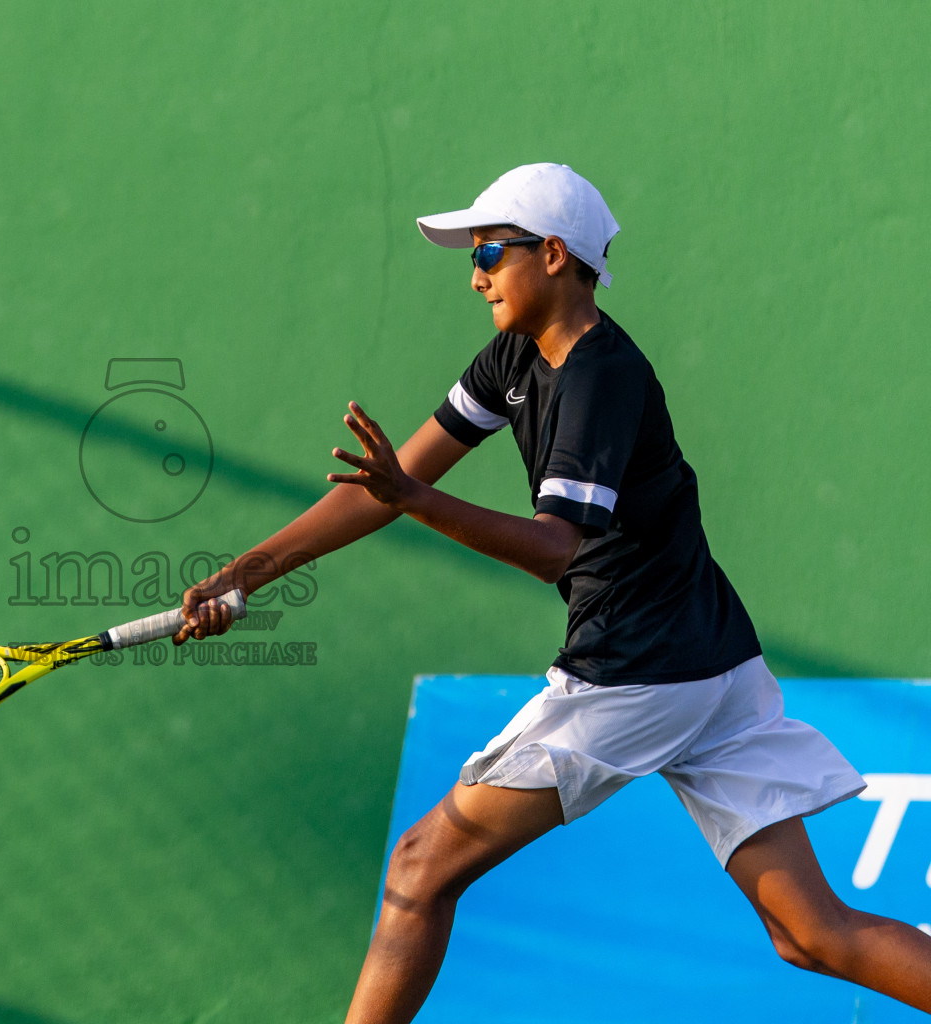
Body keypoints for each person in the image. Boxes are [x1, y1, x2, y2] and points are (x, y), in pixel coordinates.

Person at [171, 163, 931, 1021]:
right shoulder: (513, 357)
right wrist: (245, 574)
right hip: (712, 663)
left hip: (638, 671)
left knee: (420, 870)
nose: (475, 273)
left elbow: (549, 548)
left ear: (557, 254)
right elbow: (381, 487)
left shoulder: (602, 376)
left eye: (491, 251)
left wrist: (413, 499)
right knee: (811, 934)